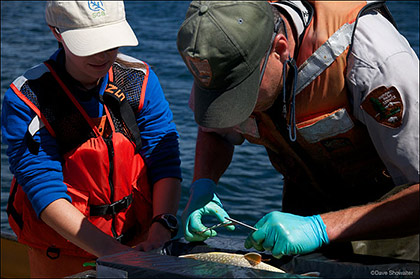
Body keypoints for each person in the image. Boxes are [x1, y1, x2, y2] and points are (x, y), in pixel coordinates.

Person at [177, 0, 419, 261]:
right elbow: (215, 131)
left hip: (391, 227)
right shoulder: (222, 60)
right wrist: (203, 184)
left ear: (280, 49)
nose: (236, 106)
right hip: (300, 220)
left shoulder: (376, 62)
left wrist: (319, 229)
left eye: (242, 92)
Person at [1, 1, 182, 277]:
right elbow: (44, 189)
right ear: (56, 32)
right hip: (62, 254)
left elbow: (163, 158)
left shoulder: (139, 80)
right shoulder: (28, 98)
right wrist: (117, 255)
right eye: (90, 44)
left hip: (140, 245)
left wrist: (163, 224)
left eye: (110, 42)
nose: (103, 55)